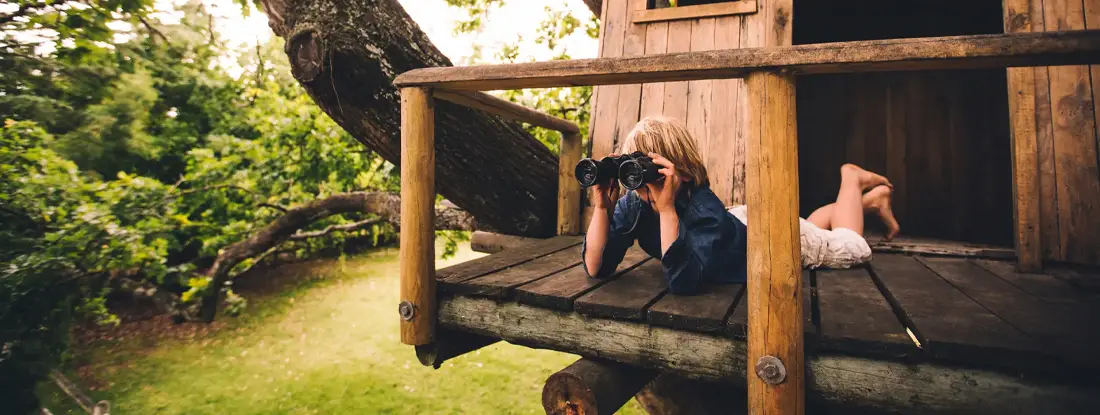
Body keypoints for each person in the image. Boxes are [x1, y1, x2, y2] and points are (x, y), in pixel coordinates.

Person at [582, 116, 900, 295]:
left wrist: (666, 211)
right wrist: (601, 208)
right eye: (631, 170)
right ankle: (867, 203)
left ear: (678, 169)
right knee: (813, 226)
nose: (641, 185)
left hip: (767, 239)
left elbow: (682, 283)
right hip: (735, 226)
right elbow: (596, 267)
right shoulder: (634, 206)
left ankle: (852, 181)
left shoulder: (703, 209)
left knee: (854, 246)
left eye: (645, 170)